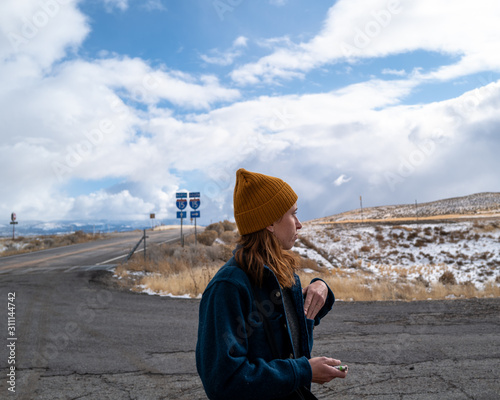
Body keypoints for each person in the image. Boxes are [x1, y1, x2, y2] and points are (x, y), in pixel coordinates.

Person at [196, 168, 347, 400]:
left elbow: (286, 335)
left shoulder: (281, 273)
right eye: (292, 214)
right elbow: (223, 381)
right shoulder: (228, 287)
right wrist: (303, 371)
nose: (299, 224)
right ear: (269, 223)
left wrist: (320, 289)